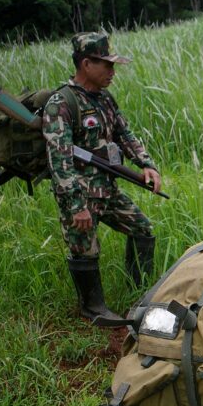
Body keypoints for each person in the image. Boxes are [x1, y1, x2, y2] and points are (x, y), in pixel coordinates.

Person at [42, 31, 162, 324]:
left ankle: (138, 291)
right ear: (86, 64)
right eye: (106, 65)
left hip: (107, 190)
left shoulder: (105, 99)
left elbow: (125, 134)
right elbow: (59, 161)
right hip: (80, 195)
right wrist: (75, 206)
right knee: (85, 249)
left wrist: (146, 164)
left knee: (142, 229)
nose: (112, 71)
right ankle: (92, 309)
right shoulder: (62, 103)